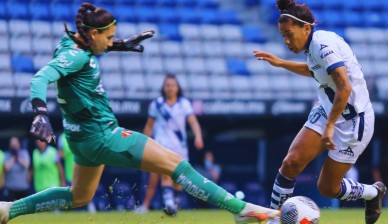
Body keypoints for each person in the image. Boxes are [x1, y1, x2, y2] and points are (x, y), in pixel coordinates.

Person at [0, 3, 279, 224]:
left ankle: (8, 210)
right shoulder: (77, 56)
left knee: (79, 195)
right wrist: (40, 114)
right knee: (176, 164)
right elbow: (39, 78)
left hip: (81, 140)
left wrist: (120, 45)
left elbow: (82, 51)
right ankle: (240, 209)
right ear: (93, 34)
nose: (111, 42)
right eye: (108, 38)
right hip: (104, 136)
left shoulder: (71, 42)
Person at [253, 1, 386, 223]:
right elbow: (314, 70)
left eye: (289, 34)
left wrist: (331, 126)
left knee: (327, 188)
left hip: (354, 122)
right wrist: (281, 63)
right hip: (328, 110)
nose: (286, 41)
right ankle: (274, 219)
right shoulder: (312, 47)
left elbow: (344, 87)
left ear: (306, 28)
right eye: (282, 36)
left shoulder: (323, 44)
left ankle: (373, 192)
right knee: (291, 163)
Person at [135, 74, 204, 216]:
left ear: (177, 88)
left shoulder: (184, 103)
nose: (170, 88)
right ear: (163, 87)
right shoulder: (157, 104)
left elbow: (193, 122)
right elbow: (149, 126)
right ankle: (166, 204)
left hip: (180, 147)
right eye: (167, 85)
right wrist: (143, 143)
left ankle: (174, 204)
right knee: (163, 175)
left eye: (173, 85)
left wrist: (198, 136)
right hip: (162, 146)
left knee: (178, 179)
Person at [3, 137, 30, 201]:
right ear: (10, 145)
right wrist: (13, 157)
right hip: (11, 188)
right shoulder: (7, 154)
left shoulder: (24, 153)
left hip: (23, 188)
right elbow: (7, 168)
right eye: (12, 145)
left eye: (15, 144)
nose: (14, 146)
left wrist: (18, 157)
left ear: (19, 144)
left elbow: (26, 165)